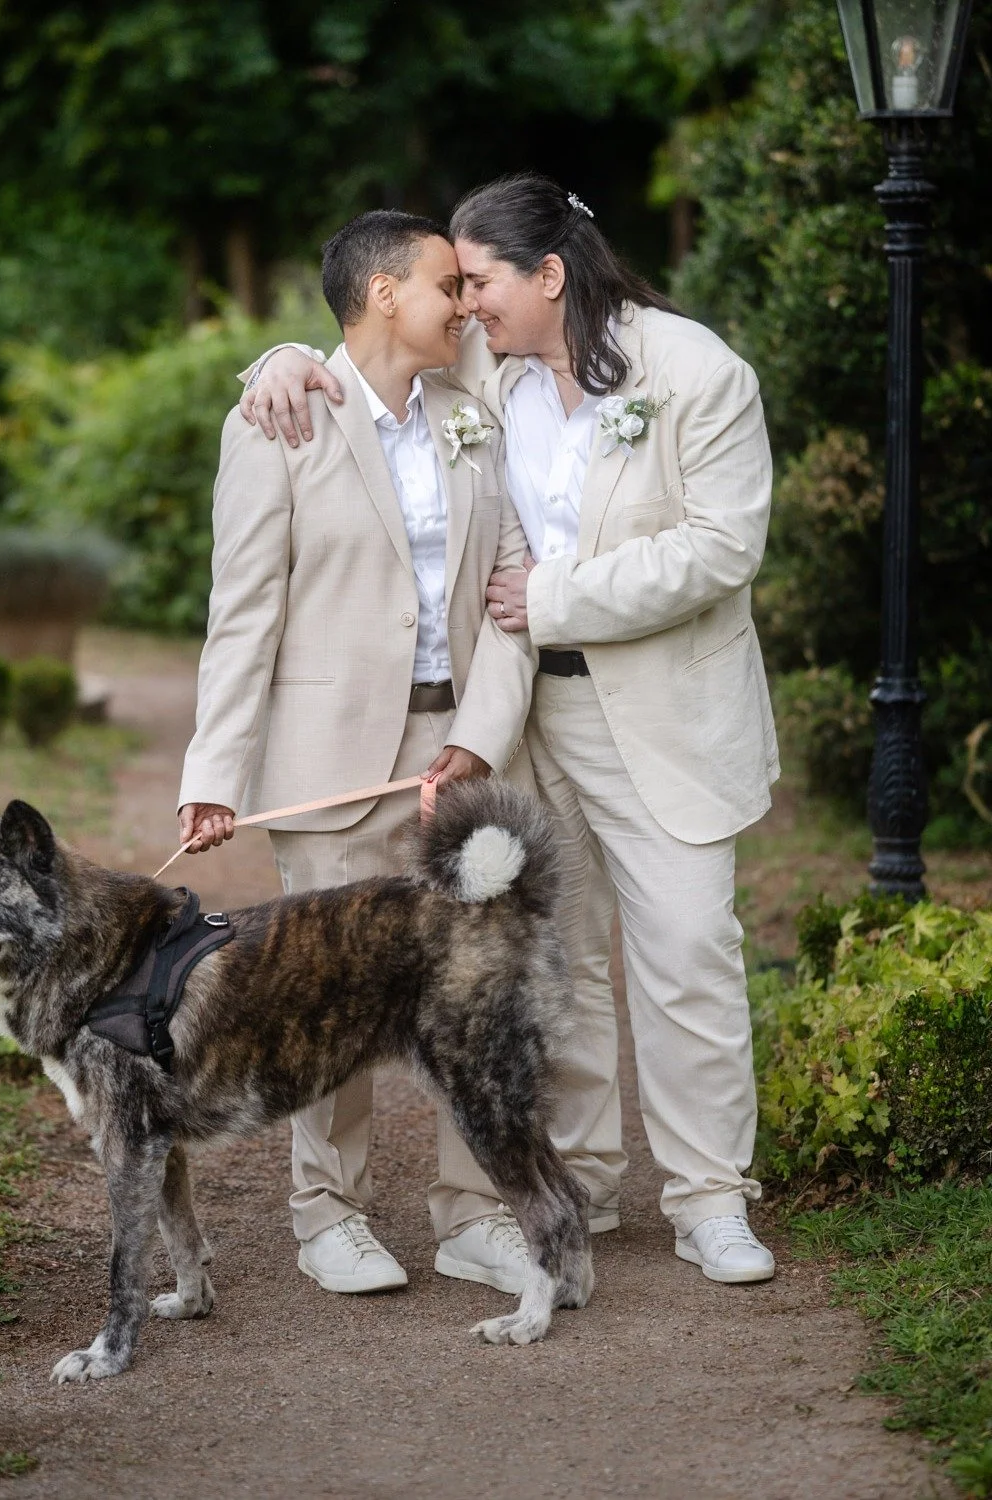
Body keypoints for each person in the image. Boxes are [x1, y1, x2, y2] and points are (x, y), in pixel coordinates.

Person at [239, 173, 782, 1284]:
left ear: (550, 275)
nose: (466, 301)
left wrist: (555, 597)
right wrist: (277, 362)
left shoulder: (697, 372)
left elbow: (724, 548)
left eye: (479, 279)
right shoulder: (481, 369)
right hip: (528, 714)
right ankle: (578, 1182)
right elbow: (373, 355)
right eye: (457, 285)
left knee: (686, 951)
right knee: (552, 961)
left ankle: (712, 1200)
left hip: (667, 707)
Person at [177, 210, 542, 1298]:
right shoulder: (278, 422)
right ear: (384, 294)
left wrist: (477, 738)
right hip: (329, 762)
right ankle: (327, 1215)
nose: (465, 304)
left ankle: (475, 1214)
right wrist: (212, 777)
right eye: (446, 285)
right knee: (329, 996)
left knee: (475, 988)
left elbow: (511, 598)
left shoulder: (472, 409)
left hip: (462, 755)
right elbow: (242, 614)